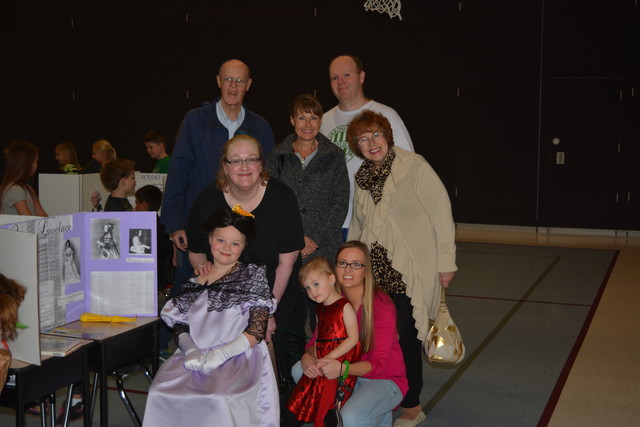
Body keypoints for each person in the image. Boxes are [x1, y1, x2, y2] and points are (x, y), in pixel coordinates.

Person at [346, 111, 457, 426]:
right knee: (378, 339)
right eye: (363, 139)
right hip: (374, 277)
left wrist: (446, 263)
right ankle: (382, 394)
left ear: (387, 135)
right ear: (357, 146)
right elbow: (358, 224)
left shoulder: (414, 166)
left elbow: (441, 212)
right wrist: (349, 268)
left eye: (376, 135)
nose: (372, 143)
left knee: (407, 338)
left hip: (410, 275)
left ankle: (411, 407)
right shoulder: (363, 177)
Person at [187, 135, 305, 389]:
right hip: (224, 303)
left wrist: (266, 314)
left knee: (271, 380)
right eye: (236, 160)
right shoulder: (208, 200)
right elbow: (196, 250)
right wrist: (202, 269)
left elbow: (286, 263)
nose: (244, 167)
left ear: (262, 164)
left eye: (251, 159)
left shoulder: (282, 198)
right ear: (225, 165)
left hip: (277, 296)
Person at [142, 206, 279, 426]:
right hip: (194, 354)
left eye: (235, 243)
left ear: (244, 246)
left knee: (218, 398)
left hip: (237, 357)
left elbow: (257, 330)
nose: (227, 248)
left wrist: (222, 353)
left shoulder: (252, 276)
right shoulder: (195, 281)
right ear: (210, 238)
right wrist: (190, 348)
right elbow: (179, 324)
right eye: (221, 240)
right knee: (160, 391)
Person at [162, 59, 275, 298]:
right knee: (191, 298)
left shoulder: (260, 127)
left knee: (239, 299)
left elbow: (267, 178)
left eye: (239, 80)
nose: (233, 86)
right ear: (218, 82)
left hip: (245, 232)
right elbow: (177, 174)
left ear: (249, 84)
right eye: (228, 80)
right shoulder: (195, 121)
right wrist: (174, 224)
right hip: (199, 229)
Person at [296, 241, 408, 426]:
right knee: (299, 371)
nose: (348, 270)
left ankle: (376, 414)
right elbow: (316, 342)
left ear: (366, 270)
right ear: (334, 270)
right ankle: (371, 413)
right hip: (348, 374)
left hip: (383, 379)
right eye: (342, 263)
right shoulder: (331, 300)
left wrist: (342, 369)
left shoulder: (381, 306)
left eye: (356, 264)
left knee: (350, 418)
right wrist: (307, 357)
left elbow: (378, 365)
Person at [320, 55, 415, 235]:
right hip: (333, 223)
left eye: (347, 75)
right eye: (334, 78)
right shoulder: (322, 121)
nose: (340, 81)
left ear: (361, 77)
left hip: (374, 222)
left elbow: (407, 168)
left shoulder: (386, 115)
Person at [265, 94, 349, 263]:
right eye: (301, 118)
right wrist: (295, 239)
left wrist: (315, 239)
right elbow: (269, 201)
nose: (308, 125)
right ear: (292, 120)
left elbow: (339, 203)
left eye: (313, 118)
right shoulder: (276, 155)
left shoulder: (334, 156)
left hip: (323, 249)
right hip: (284, 247)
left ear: (320, 121)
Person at [287, 257, 360, 426]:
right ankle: (294, 417)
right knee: (306, 387)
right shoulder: (320, 309)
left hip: (339, 358)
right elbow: (319, 338)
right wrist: (316, 356)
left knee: (327, 396)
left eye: (316, 284)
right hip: (324, 357)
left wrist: (330, 356)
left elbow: (353, 338)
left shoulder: (344, 306)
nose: (312, 291)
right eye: (307, 288)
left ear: (331, 279)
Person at [135, 184, 175, 357]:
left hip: (148, 282)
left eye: (136, 203)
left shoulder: (141, 229)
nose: (135, 207)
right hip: (161, 279)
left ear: (143, 205)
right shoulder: (163, 227)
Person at [0, 140, 48, 216]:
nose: (36, 165)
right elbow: (27, 220)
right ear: (27, 164)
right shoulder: (15, 189)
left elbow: (41, 213)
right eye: (36, 162)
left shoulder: (29, 189)